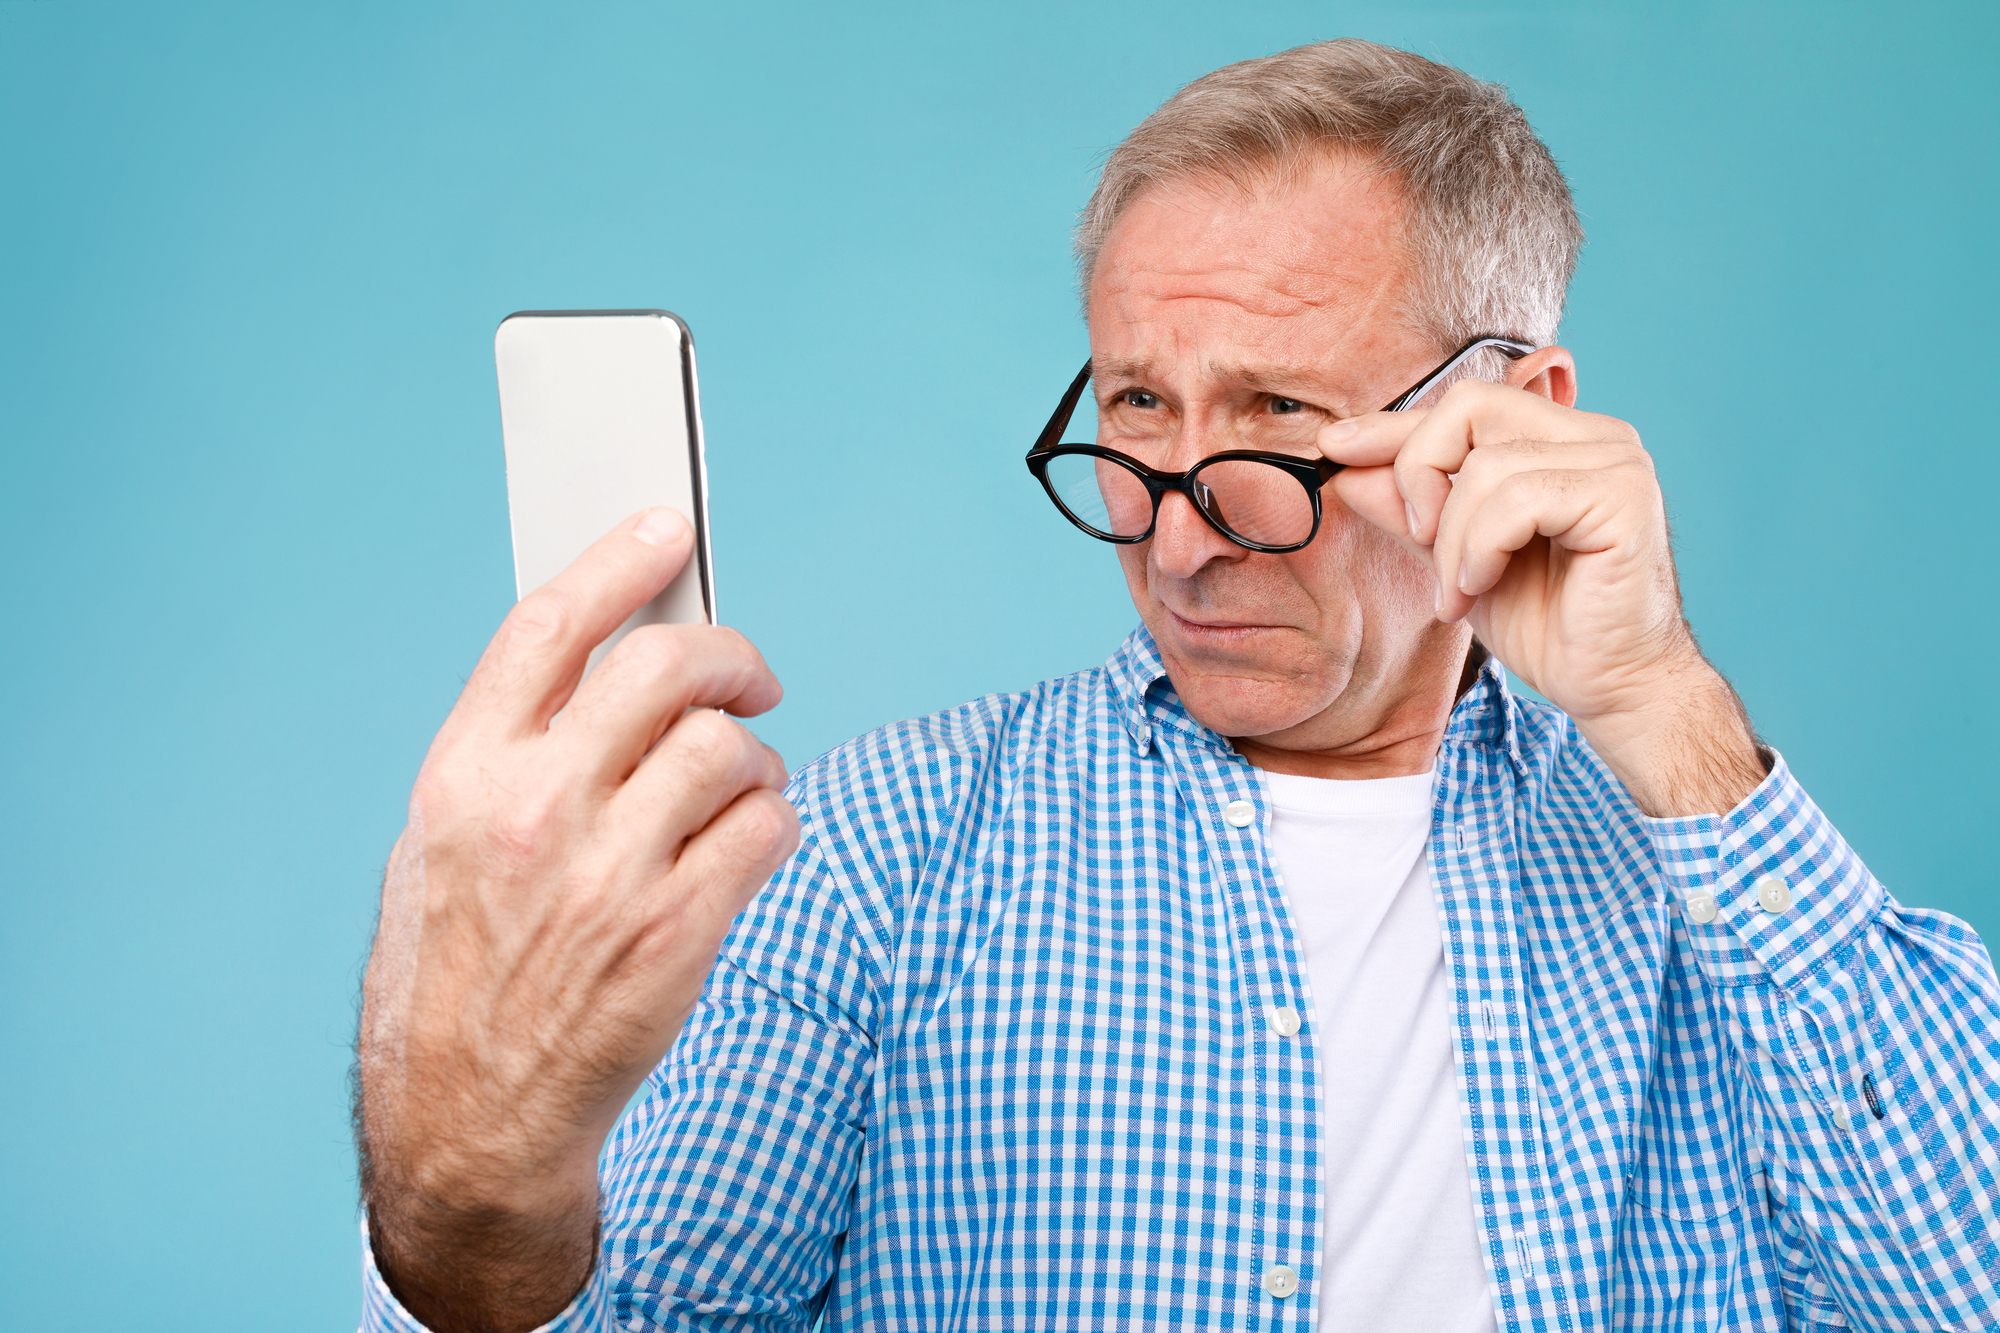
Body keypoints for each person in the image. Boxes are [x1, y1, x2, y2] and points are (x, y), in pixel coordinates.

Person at [354, 38, 2000, 1333]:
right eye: (1139, 413)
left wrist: (1673, 720)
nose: (1183, 543)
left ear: (1521, 415)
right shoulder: (882, 850)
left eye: (1278, 422)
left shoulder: (1712, 884)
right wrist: (475, 1188)